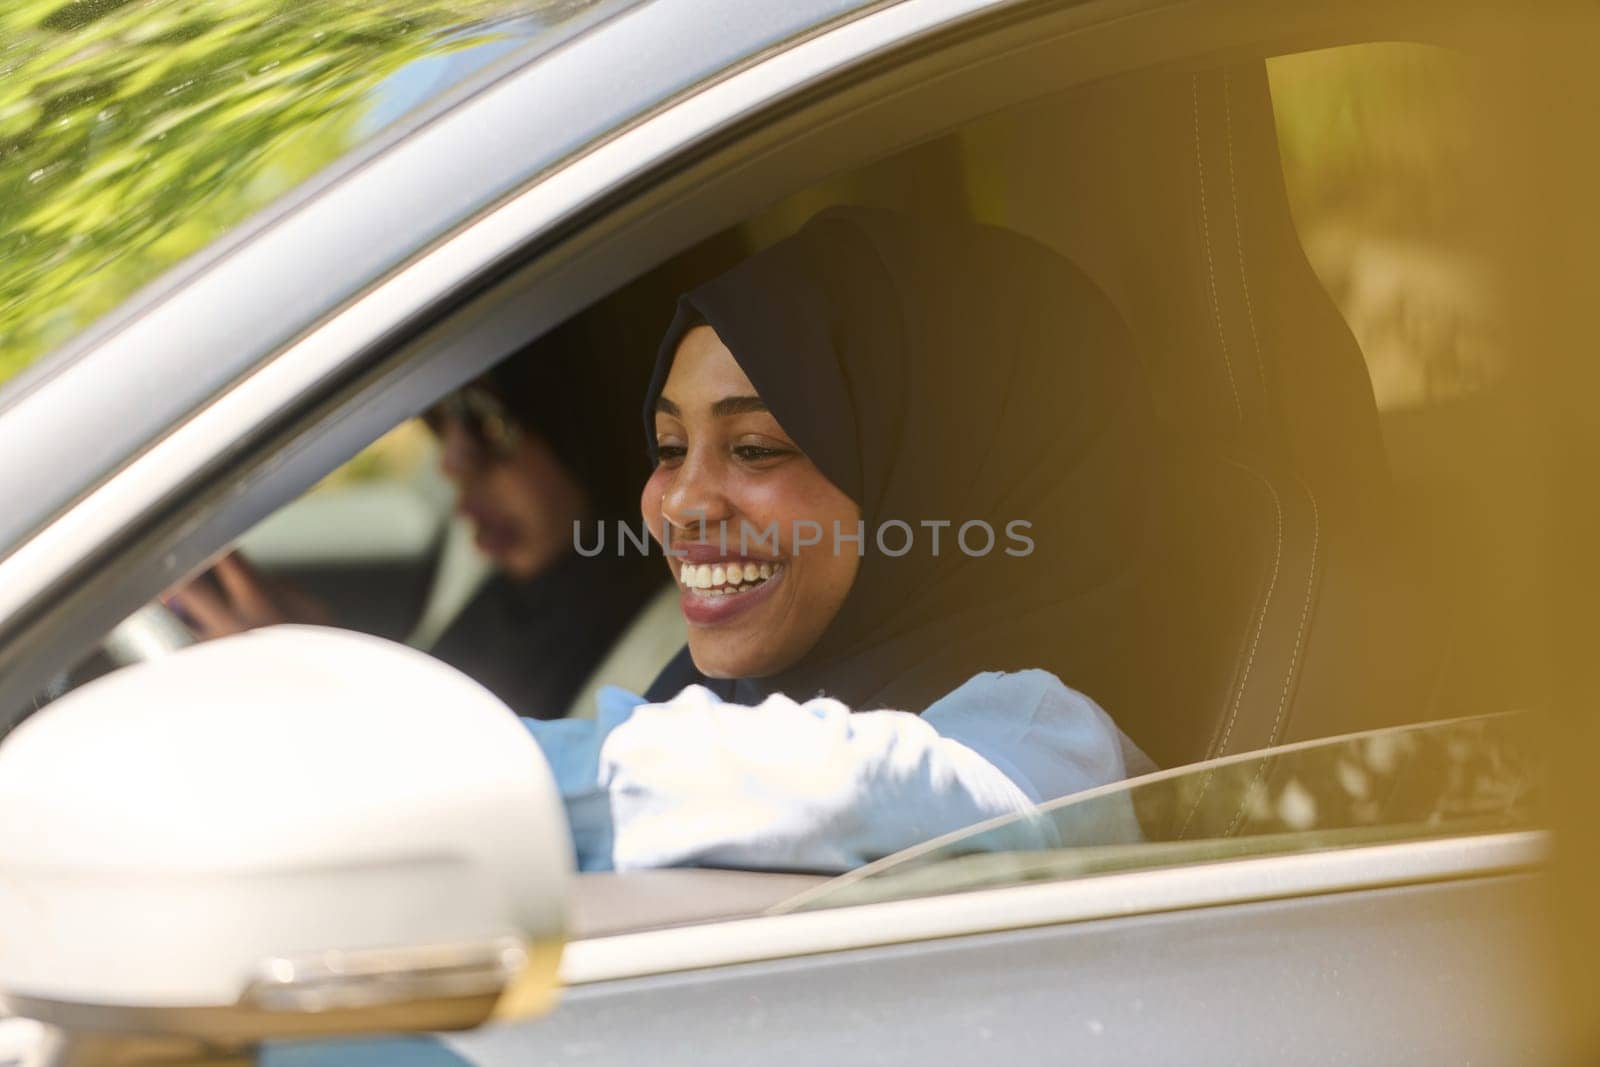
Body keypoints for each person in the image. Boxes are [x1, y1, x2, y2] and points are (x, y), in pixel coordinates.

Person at [524, 206, 1158, 873]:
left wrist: (465, 775)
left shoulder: (1046, 748)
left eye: (754, 448)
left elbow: (852, 792)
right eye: (669, 447)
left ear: (926, 476)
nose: (679, 502)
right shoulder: (735, 693)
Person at [168, 315, 671, 720]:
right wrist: (320, 648)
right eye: (438, 419)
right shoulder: (506, 583)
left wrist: (314, 695)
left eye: (488, 421)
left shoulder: (670, 660)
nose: (450, 462)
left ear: (593, 427)